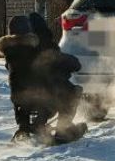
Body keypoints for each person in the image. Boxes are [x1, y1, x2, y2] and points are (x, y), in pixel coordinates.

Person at [27, 12, 86, 142]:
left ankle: (39, 125)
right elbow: (68, 63)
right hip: (50, 91)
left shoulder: (18, 50)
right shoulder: (46, 45)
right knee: (73, 92)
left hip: (27, 93)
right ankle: (63, 129)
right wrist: (73, 64)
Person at [0, 15, 49, 141]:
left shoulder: (8, 49)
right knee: (46, 101)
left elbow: (9, 67)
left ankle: (23, 128)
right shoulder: (33, 47)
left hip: (16, 89)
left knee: (21, 105)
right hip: (35, 87)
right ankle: (39, 126)